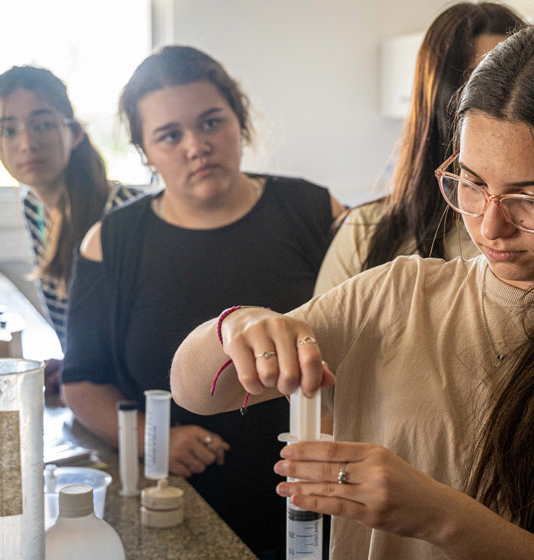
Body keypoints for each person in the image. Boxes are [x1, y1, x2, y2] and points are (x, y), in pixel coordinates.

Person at [172, 24, 534, 559]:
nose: (490, 226)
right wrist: (240, 325)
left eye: (530, 197)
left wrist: (441, 517)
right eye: (472, 183)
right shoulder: (396, 297)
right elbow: (192, 389)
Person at [60, 46, 344, 559]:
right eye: (170, 135)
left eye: (212, 122)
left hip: (313, 496)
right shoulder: (111, 241)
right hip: (177, 500)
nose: (197, 145)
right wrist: (153, 438)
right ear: (145, 151)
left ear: (240, 121)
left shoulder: (315, 211)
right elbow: (81, 380)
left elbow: (367, 339)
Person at [313, 2, 525, 296]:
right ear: (438, 98)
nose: (500, 106)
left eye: (509, 84)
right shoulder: (366, 233)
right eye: (474, 85)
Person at [0, 66, 143, 358]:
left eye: (43, 125)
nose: (27, 144)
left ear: (74, 132)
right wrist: (69, 366)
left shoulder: (126, 212)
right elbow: (73, 332)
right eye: (8, 130)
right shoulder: (33, 205)